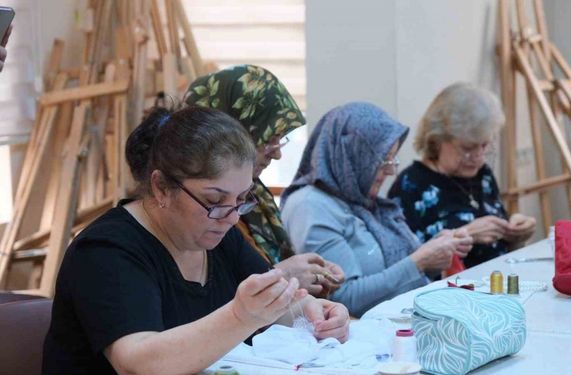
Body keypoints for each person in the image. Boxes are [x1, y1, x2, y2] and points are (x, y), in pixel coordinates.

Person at [42, 106, 349, 375]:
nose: (231, 216)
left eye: (241, 199)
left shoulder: (217, 233)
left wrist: (312, 312)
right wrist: (240, 316)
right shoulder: (105, 251)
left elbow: (271, 307)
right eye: (214, 199)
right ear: (162, 187)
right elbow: (138, 362)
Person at [279, 102, 473, 317]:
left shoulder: (359, 199)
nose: (390, 170)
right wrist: (419, 262)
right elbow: (344, 298)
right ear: (352, 154)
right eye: (383, 159)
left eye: (392, 158)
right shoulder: (310, 206)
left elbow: (396, 271)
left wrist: (437, 250)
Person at [185, 65, 344, 297]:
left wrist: (311, 273)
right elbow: (204, 299)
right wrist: (283, 275)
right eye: (268, 139)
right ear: (232, 131)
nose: (277, 154)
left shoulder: (256, 197)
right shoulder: (197, 207)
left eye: (281, 140)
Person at [388, 82, 536, 269]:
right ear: (437, 139)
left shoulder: (483, 176)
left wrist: (516, 236)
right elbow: (405, 266)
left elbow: (500, 250)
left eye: (484, 146)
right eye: (468, 148)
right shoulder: (410, 186)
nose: (478, 157)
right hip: (450, 294)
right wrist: (466, 234)